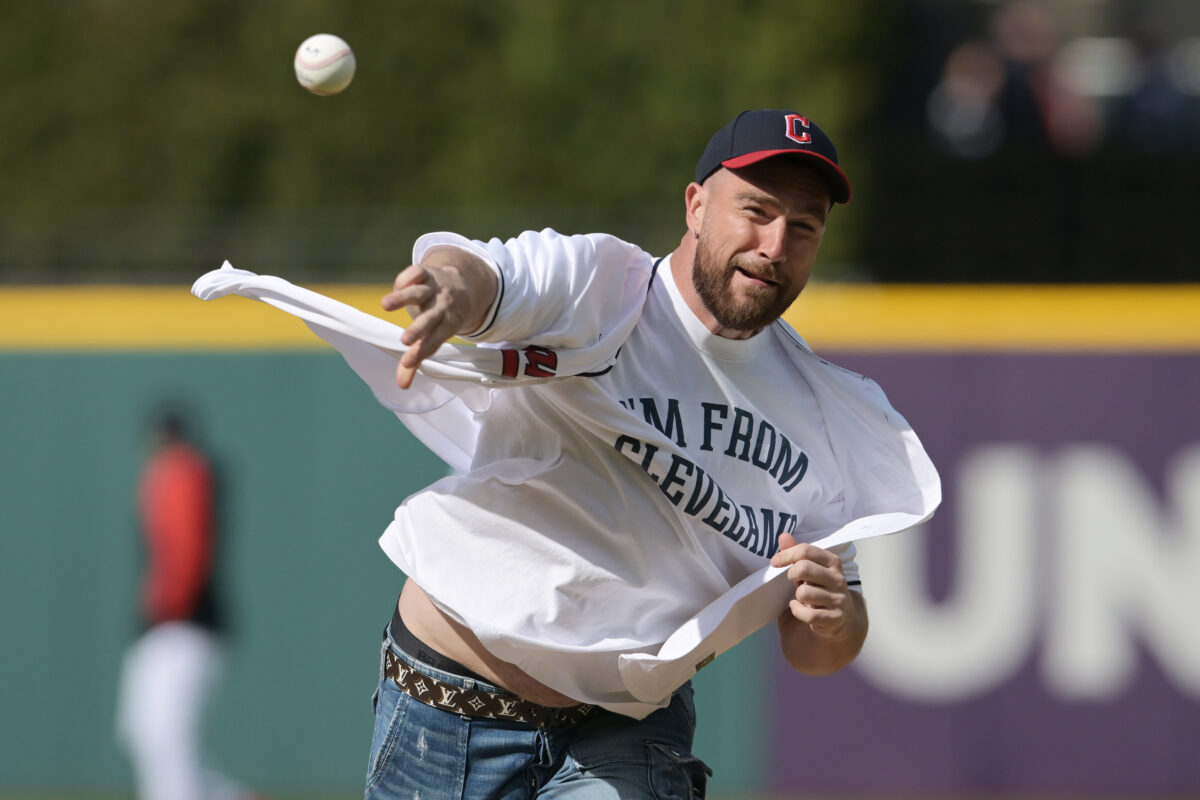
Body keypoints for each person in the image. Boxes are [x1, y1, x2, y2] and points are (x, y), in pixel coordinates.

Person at [192, 108, 939, 799]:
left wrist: (836, 622)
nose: (775, 246)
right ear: (695, 205)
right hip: (447, 702)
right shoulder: (606, 287)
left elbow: (820, 644)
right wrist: (455, 292)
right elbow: (494, 274)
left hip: (628, 729)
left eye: (803, 227)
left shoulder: (825, 410)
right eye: (757, 211)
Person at [115, 409, 254, 800]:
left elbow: (185, 556)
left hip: (183, 625)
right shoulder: (180, 475)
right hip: (176, 626)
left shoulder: (183, 474)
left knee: (163, 741)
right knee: (147, 734)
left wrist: (165, 603)